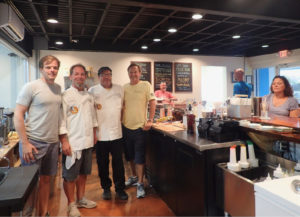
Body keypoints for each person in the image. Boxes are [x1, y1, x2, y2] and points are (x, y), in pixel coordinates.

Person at [14, 55, 61, 216]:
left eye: (55, 67)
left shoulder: (58, 88)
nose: (52, 70)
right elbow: (18, 114)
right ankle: (28, 214)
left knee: (47, 180)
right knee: (30, 184)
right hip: (33, 143)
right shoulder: (31, 87)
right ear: (41, 69)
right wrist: (24, 143)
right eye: (48, 67)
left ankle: (43, 212)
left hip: (53, 143)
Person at [59, 64, 98, 217]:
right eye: (76, 74)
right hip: (73, 143)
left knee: (83, 173)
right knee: (70, 176)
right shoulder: (65, 96)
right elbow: (61, 121)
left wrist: (94, 134)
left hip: (87, 141)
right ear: (71, 77)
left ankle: (81, 198)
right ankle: (70, 204)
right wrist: (64, 141)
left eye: (82, 74)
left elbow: (93, 117)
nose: (80, 77)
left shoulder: (89, 96)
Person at [88, 67, 128, 201]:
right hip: (100, 134)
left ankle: (120, 189)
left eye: (109, 75)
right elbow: (90, 113)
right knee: (102, 163)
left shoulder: (119, 89)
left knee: (118, 163)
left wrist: (121, 121)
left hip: (116, 133)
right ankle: (106, 188)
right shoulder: (92, 91)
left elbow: (123, 107)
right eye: (104, 75)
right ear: (99, 77)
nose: (107, 77)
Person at [122, 63, 156, 199]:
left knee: (139, 157)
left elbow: (152, 102)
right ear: (128, 73)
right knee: (129, 156)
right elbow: (122, 106)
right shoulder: (124, 87)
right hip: (126, 126)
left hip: (140, 127)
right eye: (131, 72)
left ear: (140, 73)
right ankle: (134, 177)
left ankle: (141, 183)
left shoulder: (146, 85)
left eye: (135, 72)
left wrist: (150, 120)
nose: (133, 74)